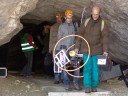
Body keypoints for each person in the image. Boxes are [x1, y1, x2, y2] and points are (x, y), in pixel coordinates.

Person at [75, 6, 109, 93]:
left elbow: (105, 38)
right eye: (93, 14)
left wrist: (105, 51)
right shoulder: (86, 22)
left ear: (99, 13)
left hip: (97, 50)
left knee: (96, 69)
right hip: (86, 49)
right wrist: (77, 47)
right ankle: (87, 86)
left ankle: (94, 85)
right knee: (87, 68)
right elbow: (79, 35)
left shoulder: (102, 23)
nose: (95, 16)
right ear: (91, 13)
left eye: (96, 14)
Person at [57, 9, 81, 91]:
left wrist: (76, 47)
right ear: (65, 17)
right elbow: (59, 39)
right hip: (64, 49)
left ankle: (76, 83)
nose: (70, 18)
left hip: (72, 49)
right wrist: (61, 49)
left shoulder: (74, 26)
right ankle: (67, 84)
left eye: (71, 17)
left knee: (76, 66)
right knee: (65, 67)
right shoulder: (61, 26)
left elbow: (76, 38)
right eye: (68, 17)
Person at [49, 12, 63, 84]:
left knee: (63, 63)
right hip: (55, 47)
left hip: (63, 47)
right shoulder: (53, 27)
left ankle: (62, 78)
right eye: (57, 18)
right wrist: (50, 48)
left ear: (62, 18)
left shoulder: (64, 26)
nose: (58, 19)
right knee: (56, 63)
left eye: (59, 18)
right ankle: (57, 79)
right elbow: (51, 38)